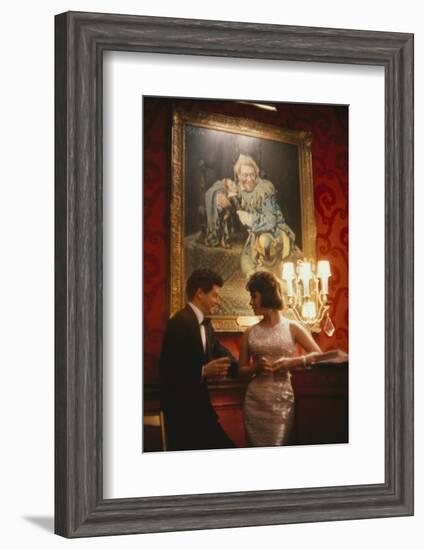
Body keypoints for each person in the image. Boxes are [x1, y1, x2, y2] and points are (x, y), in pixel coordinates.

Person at [239, 271, 322, 447]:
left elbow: (319, 355)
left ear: (266, 295)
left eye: (254, 296)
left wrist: (292, 362)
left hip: (282, 402)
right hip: (255, 402)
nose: (251, 302)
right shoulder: (249, 332)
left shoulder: (292, 327)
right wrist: (255, 368)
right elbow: (241, 370)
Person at [159, 269, 238, 451]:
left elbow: (223, 354)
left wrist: (247, 369)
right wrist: (203, 371)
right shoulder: (179, 322)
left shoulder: (207, 326)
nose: (218, 302)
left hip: (201, 410)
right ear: (200, 293)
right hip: (181, 413)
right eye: (215, 296)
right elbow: (167, 370)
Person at [234, 154, 296, 275]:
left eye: (252, 174)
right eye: (245, 175)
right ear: (239, 175)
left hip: (275, 231)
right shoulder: (240, 189)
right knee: (247, 265)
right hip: (256, 234)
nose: (249, 179)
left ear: (256, 174)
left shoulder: (264, 189)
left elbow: (271, 220)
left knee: (265, 242)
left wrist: (250, 220)